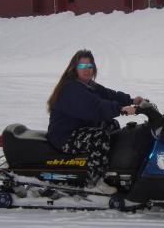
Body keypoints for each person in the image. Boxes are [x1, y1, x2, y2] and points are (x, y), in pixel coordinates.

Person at [47, 49, 143, 194]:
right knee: (100, 137)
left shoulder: (88, 85)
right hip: (65, 136)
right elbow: (95, 107)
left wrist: (131, 100)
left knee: (113, 125)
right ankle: (94, 183)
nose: (86, 70)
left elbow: (109, 95)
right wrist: (121, 109)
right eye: (82, 66)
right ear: (74, 69)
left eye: (89, 66)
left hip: (79, 127)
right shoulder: (71, 89)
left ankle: (110, 168)